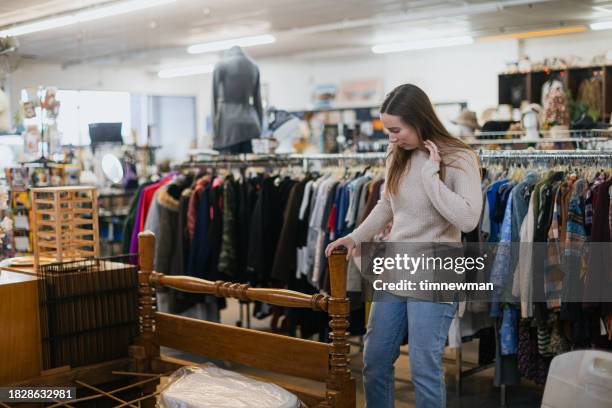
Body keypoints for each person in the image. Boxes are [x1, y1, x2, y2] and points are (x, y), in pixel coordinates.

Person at [325, 84, 483, 408]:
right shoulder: (395, 153)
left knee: (424, 368)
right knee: (375, 358)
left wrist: (431, 180)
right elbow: (387, 204)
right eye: (388, 130)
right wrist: (354, 237)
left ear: (419, 119)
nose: (392, 137)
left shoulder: (459, 157)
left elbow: (468, 220)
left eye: (397, 129)